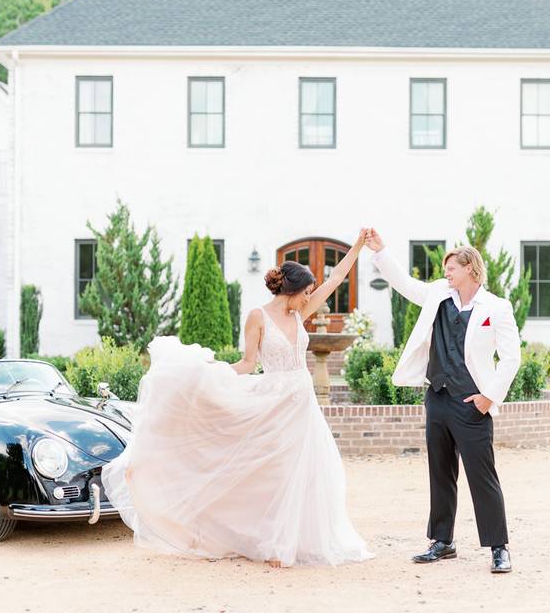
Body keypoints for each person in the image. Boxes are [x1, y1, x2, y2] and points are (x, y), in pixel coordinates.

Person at [102, 230, 373, 568]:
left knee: (306, 472)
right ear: (291, 291)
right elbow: (248, 363)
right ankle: (271, 542)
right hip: (272, 402)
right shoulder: (258, 317)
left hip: (302, 405)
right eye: (305, 293)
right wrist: (209, 374)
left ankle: (290, 542)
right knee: (272, 473)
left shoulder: (297, 315)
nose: (309, 298)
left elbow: (335, 279)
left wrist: (359, 246)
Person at [365, 228, 521, 573]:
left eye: (452, 268)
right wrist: (380, 251)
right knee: (440, 472)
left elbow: (511, 359)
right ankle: (443, 541)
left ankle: (499, 547)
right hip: (437, 398)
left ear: (471, 270)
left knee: (482, 476)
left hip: (472, 403)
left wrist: (487, 397)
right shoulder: (438, 295)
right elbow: (405, 284)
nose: (446, 272)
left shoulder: (496, 307)